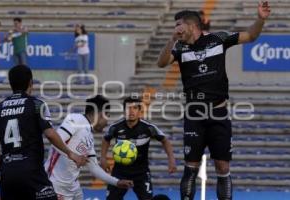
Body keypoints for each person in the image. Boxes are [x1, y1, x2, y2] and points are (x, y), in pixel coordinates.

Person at [157, 2, 270, 200]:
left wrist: (260, 19)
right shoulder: (180, 48)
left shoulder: (219, 38)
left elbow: (250, 36)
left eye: (178, 25)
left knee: (222, 167)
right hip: (194, 114)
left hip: (218, 113)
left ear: (191, 26)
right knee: (190, 168)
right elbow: (161, 63)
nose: (176, 29)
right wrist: (171, 39)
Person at [0, 65, 88, 200]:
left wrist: (2, 166)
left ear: (11, 84)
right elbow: (50, 134)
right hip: (32, 172)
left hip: (8, 173)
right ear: (30, 82)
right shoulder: (37, 104)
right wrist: (70, 153)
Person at [45, 95, 134, 200]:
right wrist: (72, 154)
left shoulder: (89, 136)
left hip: (73, 187)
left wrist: (116, 182)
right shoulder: (76, 119)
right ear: (101, 114)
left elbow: (93, 166)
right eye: (107, 116)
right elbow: (55, 139)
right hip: (56, 186)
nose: (107, 122)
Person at [101, 97, 177, 200]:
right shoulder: (115, 127)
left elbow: (165, 140)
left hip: (141, 172)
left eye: (135, 108)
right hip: (120, 172)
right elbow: (106, 139)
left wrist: (171, 159)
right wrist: (103, 158)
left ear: (139, 111)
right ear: (124, 111)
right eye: (128, 108)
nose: (131, 111)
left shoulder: (148, 128)